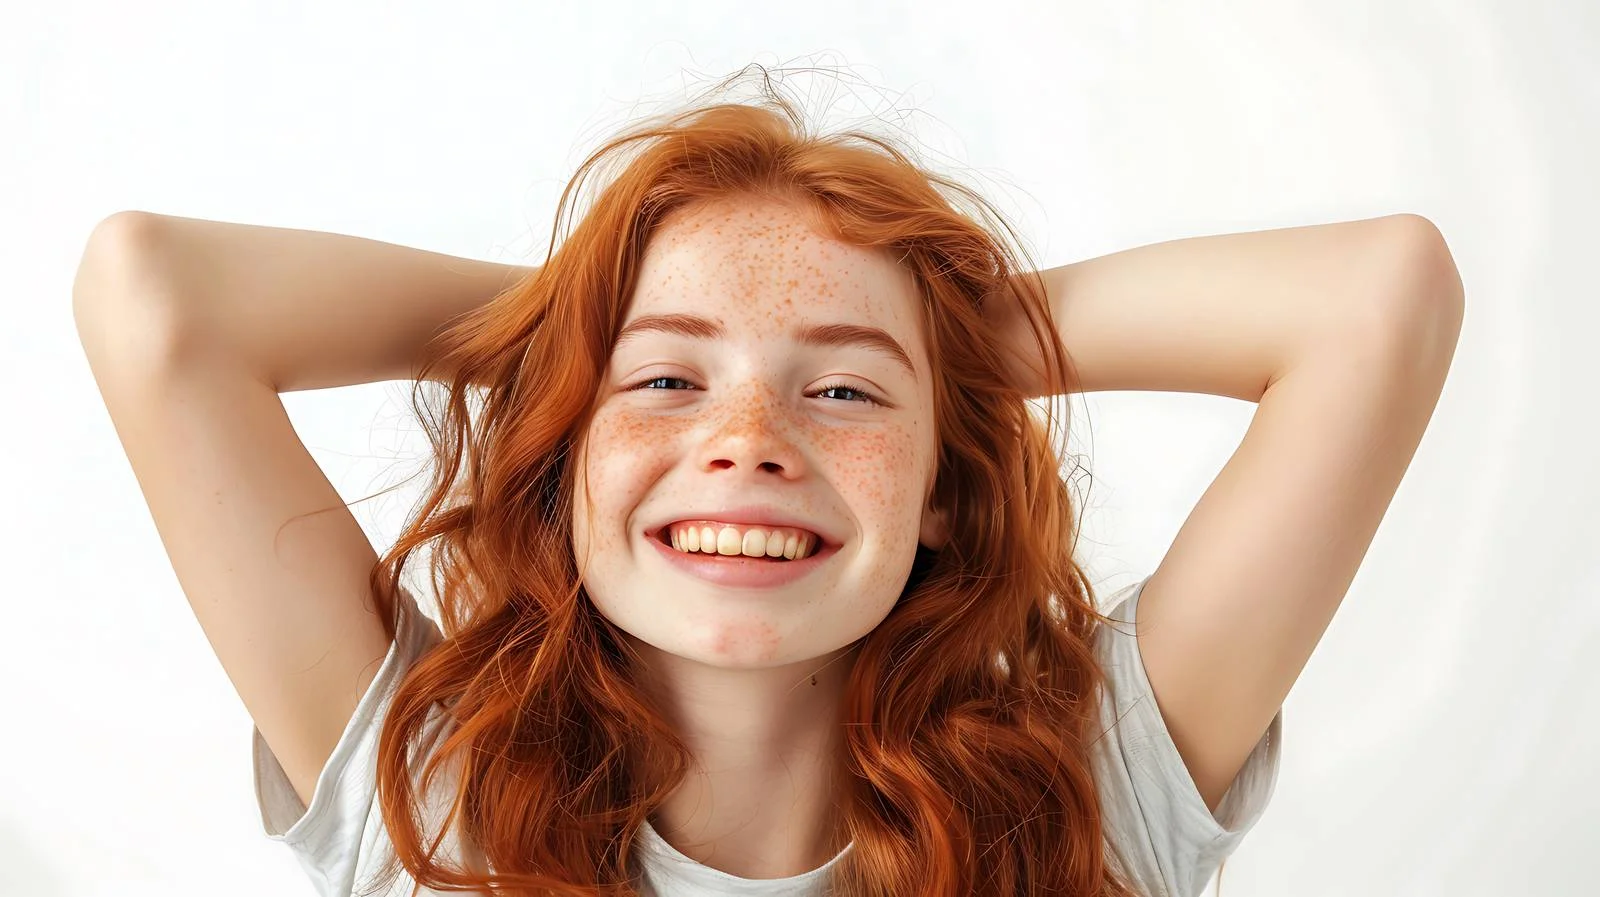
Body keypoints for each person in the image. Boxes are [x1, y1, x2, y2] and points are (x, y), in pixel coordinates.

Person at [71, 68, 1462, 897]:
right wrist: (575, 327)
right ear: (564, 456)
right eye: (665, 383)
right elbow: (156, 297)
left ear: (939, 487)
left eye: (846, 392)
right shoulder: (433, 810)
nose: (749, 439)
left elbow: (1377, 299)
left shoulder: (1090, 797)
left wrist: (931, 338)